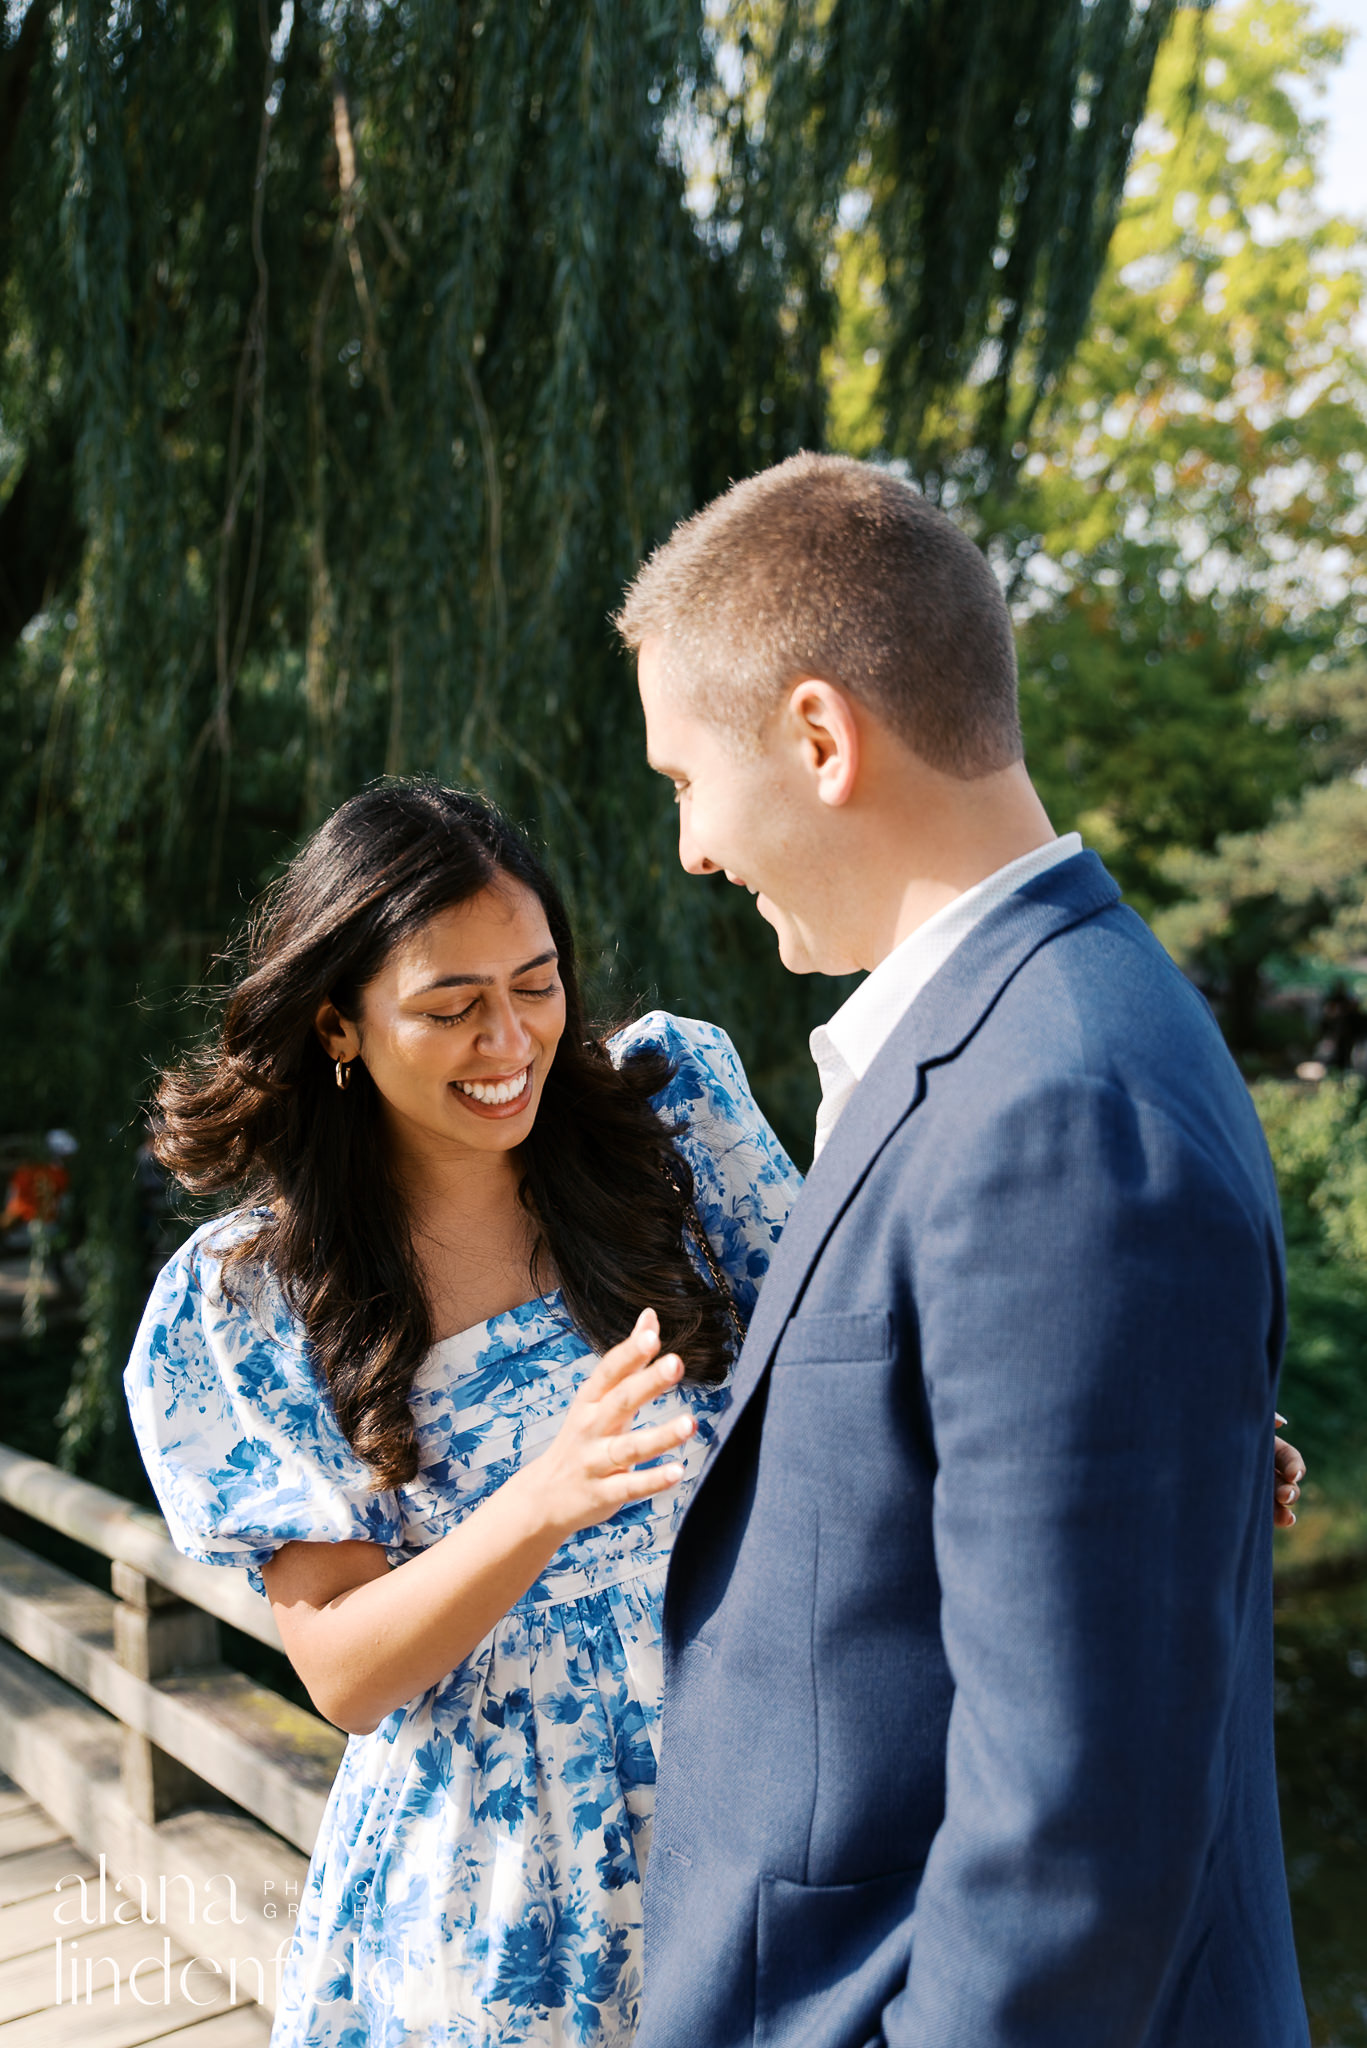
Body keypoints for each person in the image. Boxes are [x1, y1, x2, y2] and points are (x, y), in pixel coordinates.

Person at [616, 452, 1311, 2048]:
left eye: (680, 784)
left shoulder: (1056, 1107)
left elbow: (1072, 1837)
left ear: (815, 736)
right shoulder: (1012, 1035)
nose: (691, 850)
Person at [123, 781, 800, 2047]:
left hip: (751, 1784)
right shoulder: (251, 1298)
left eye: (535, 986)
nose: (510, 1040)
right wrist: (542, 1498)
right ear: (339, 1024)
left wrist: (1141, 1436)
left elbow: (859, 1362)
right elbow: (343, 1671)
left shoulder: (673, 1112)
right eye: (451, 1007)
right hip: (494, 1887)